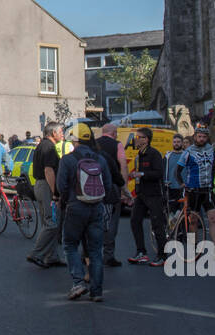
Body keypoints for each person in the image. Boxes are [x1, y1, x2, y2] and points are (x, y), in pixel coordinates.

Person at [56, 124, 113, 301]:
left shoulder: (68, 159)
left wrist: (65, 201)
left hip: (75, 207)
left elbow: (61, 187)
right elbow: (108, 186)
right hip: (96, 207)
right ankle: (97, 291)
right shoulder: (101, 159)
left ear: (74, 140)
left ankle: (78, 282)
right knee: (95, 250)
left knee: (70, 244)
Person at [27, 122, 67, 268]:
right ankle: (37, 254)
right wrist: (55, 192)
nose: (63, 134)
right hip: (46, 186)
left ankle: (52, 256)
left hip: (41, 185)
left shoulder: (42, 145)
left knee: (48, 222)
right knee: (52, 222)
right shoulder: (49, 147)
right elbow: (48, 170)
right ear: (53, 133)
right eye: (61, 131)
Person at [128, 127, 166, 266]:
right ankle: (141, 252)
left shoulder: (154, 154)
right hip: (141, 194)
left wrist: (142, 174)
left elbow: (159, 173)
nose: (135, 139)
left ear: (146, 139)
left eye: (139, 137)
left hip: (153, 194)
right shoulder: (139, 154)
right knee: (135, 220)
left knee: (157, 225)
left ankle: (163, 255)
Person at [96, 123, 128, 267]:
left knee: (95, 219)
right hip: (112, 187)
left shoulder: (95, 144)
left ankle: (89, 254)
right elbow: (123, 165)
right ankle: (108, 255)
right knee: (112, 221)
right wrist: (124, 188)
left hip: (94, 186)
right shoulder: (117, 145)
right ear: (114, 133)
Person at [180, 126, 215, 232]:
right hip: (193, 189)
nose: (201, 139)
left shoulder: (212, 150)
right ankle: (193, 245)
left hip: (208, 189)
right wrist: (182, 183)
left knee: (214, 219)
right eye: (199, 136)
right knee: (193, 220)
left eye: (204, 137)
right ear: (194, 137)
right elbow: (178, 170)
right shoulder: (188, 151)